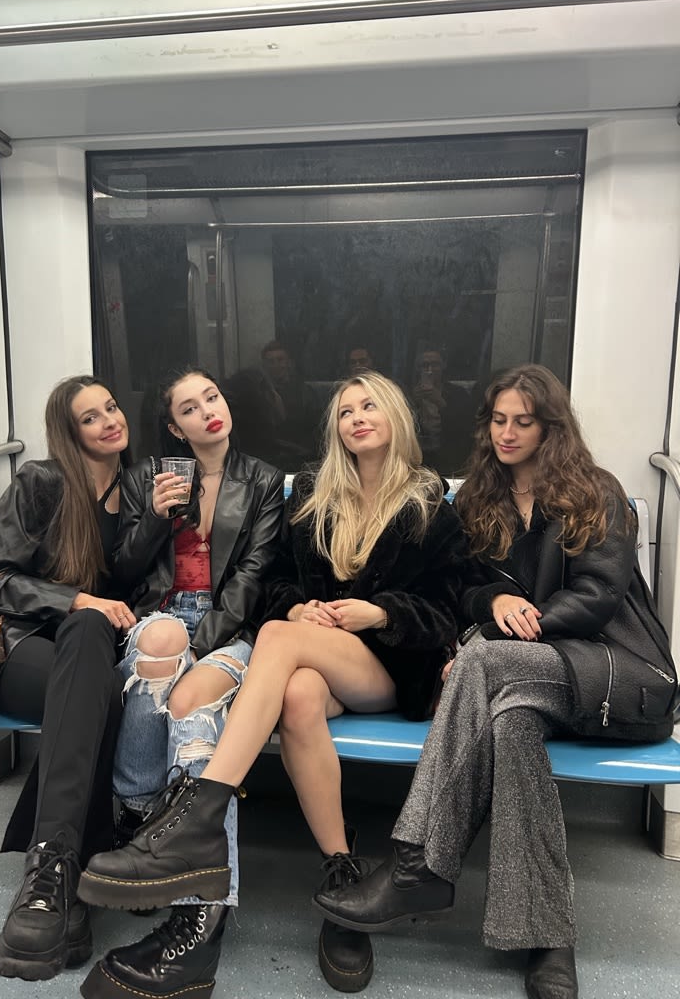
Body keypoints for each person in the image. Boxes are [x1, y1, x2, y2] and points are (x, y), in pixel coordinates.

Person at [79, 370, 469, 997]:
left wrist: (383, 613)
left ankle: (197, 816)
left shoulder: (430, 504)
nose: (357, 418)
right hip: (314, 658)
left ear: (396, 416)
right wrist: (295, 609)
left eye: (370, 406)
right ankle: (341, 876)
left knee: (277, 643)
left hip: (391, 663)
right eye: (345, 411)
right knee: (296, 694)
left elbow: (448, 611)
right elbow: (279, 581)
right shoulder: (316, 492)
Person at [312, 364, 678, 999]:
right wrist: (489, 608)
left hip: (617, 677)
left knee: (481, 664)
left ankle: (419, 864)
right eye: (498, 420)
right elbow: (466, 590)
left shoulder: (598, 492)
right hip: (526, 685)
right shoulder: (484, 501)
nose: (507, 433)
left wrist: (499, 635)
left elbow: (596, 596)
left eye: (523, 422)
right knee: (510, 725)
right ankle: (549, 939)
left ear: (551, 427)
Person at [0, 376, 135, 981]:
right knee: (93, 663)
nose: (108, 422)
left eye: (111, 408)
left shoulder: (139, 492)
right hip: (16, 650)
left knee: (100, 679)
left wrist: (161, 530)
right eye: (90, 418)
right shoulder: (41, 482)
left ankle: (54, 880)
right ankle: (72, 864)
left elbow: (139, 590)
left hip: (89, 660)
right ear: (70, 432)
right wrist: (77, 600)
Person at [77, 368, 284, 997]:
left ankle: (201, 908)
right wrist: (156, 522)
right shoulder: (146, 478)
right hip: (159, 617)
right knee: (161, 647)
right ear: (174, 427)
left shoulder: (265, 481)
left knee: (196, 703)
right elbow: (122, 572)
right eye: (189, 409)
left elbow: (254, 572)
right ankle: (148, 825)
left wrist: (203, 642)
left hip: (236, 626)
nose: (207, 413)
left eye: (212, 398)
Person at [411, 345, 475, 474]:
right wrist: (413, 403)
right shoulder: (409, 394)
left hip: (450, 458)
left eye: (435, 364)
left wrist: (441, 403)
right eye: (425, 365)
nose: (429, 370)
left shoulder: (458, 393)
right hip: (418, 457)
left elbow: (466, 428)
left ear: (443, 365)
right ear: (418, 369)